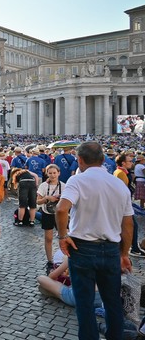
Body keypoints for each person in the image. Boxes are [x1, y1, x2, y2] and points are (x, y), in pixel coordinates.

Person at [56, 141, 133, 340]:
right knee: (112, 302)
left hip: (82, 249)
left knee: (85, 303)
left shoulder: (77, 180)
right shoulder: (119, 184)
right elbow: (128, 225)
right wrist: (124, 254)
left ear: (80, 160)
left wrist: (62, 236)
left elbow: (61, 209)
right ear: (102, 160)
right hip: (110, 249)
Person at [35, 164, 65, 274]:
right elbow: (37, 201)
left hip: (60, 214)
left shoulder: (63, 185)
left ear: (58, 173)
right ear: (47, 173)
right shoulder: (43, 186)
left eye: (54, 173)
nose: (52, 175)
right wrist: (47, 198)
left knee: (63, 237)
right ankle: (49, 260)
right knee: (48, 238)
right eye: (50, 173)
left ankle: (64, 259)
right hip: (47, 213)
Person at [113, 153, 145, 258]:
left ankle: (132, 247)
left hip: (124, 203)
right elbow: (121, 190)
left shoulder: (122, 172)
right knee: (132, 225)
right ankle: (133, 248)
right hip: (123, 204)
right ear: (123, 163)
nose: (132, 163)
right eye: (130, 161)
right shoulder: (120, 173)